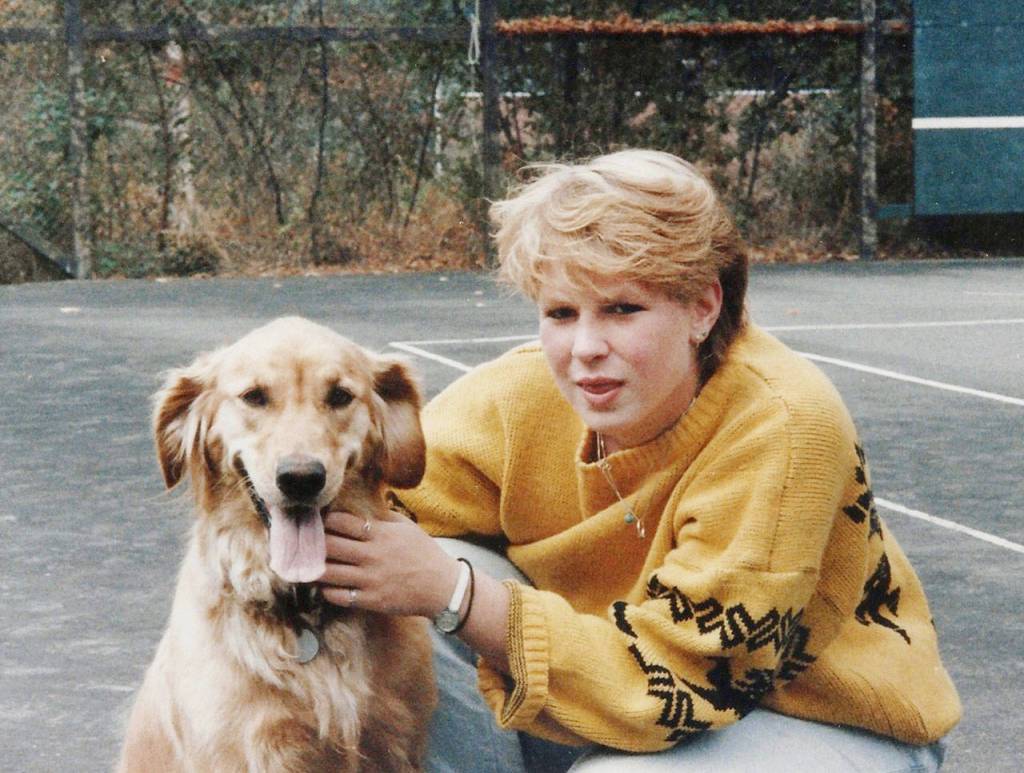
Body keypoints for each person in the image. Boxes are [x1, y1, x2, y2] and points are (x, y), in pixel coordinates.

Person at [319, 149, 961, 771]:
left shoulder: (784, 425)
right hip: (608, 693)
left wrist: (455, 593)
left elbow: (680, 686)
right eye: (561, 313)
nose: (585, 348)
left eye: (624, 309)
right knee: (376, 573)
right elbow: (363, 504)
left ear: (702, 307)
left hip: (808, 718)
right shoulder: (521, 397)